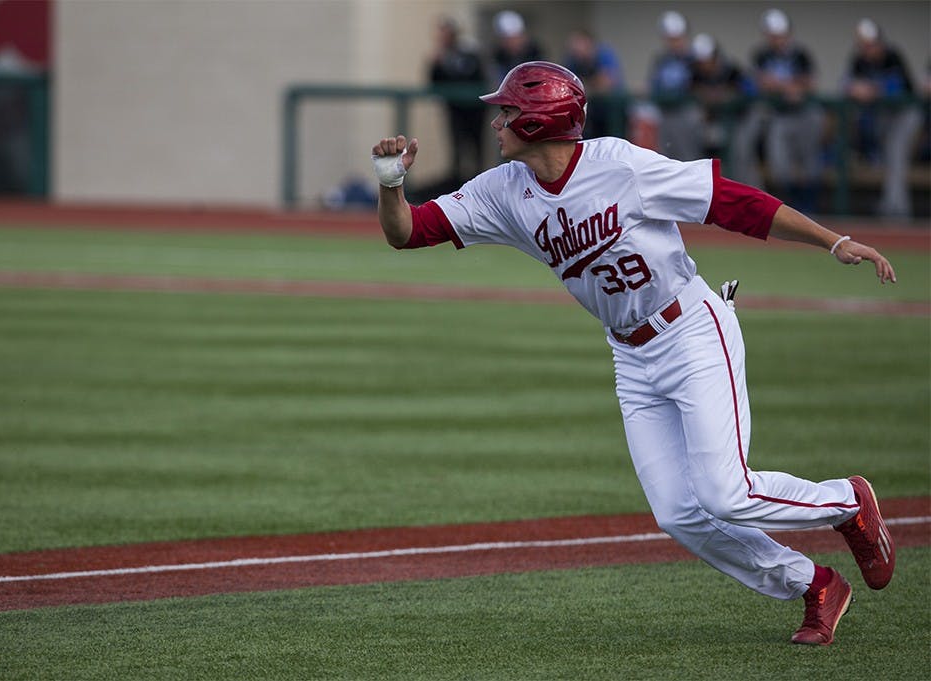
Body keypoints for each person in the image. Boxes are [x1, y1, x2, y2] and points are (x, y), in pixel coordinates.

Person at [370, 61, 896, 646]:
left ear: (543, 121)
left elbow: (733, 203)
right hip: (632, 358)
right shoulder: (503, 191)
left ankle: (847, 502)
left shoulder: (620, 166)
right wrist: (391, 179)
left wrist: (835, 241)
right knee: (678, 513)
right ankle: (815, 585)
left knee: (727, 492)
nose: (497, 121)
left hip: (692, 331)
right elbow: (407, 232)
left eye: (510, 111)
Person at [843, 19, 922, 218]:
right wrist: (855, 89)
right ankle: (891, 206)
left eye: (870, 45)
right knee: (887, 160)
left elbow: (902, 89)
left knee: (896, 157)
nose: (867, 49)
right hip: (881, 118)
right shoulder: (858, 60)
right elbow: (846, 84)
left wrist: (873, 90)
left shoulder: (892, 56)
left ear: (879, 43)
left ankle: (896, 211)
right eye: (863, 45)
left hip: (905, 115)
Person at [751, 8, 824, 212]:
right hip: (779, 115)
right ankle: (789, 208)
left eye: (780, 35)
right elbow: (762, 82)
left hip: (805, 114)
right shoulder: (762, 55)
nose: (777, 40)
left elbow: (811, 82)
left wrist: (784, 85)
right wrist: (789, 86)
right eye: (773, 36)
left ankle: (808, 207)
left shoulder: (800, 53)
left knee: (810, 163)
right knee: (779, 166)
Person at [690, 33, 765, 187]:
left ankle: (755, 198)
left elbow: (751, 93)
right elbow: (691, 92)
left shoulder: (732, 71)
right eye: (701, 61)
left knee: (742, 157)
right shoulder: (695, 74)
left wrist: (728, 94)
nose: (704, 65)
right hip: (715, 126)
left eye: (708, 60)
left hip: (742, 121)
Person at [428, 16, 488, 184]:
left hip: (475, 109)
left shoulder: (469, 50)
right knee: (457, 148)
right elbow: (434, 82)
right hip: (454, 109)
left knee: (476, 147)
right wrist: (436, 64)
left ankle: (478, 182)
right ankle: (456, 183)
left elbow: (473, 75)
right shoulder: (441, 55)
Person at [647, 11, 702, 161]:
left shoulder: (695, 59)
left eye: (677, 38)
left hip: (687, 112)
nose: (674, 43)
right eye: (670, 39)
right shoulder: (661, 60)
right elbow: (653, 85)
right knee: (666, 156)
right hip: (665, 114)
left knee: (688, 156)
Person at [562, 27, 625, 139]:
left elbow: (607, 83)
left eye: (578, 43)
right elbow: (567, 85)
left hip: (610, 110)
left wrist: (587, 85)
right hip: (588, 110)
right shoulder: (572, 60)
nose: (574, 47)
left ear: (588, 43)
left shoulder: (604, 54)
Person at [489, 10, 543, 86]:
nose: (512, 42)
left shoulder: (536, 55)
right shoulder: (496, 57)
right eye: (507, 39)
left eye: (515, 38)